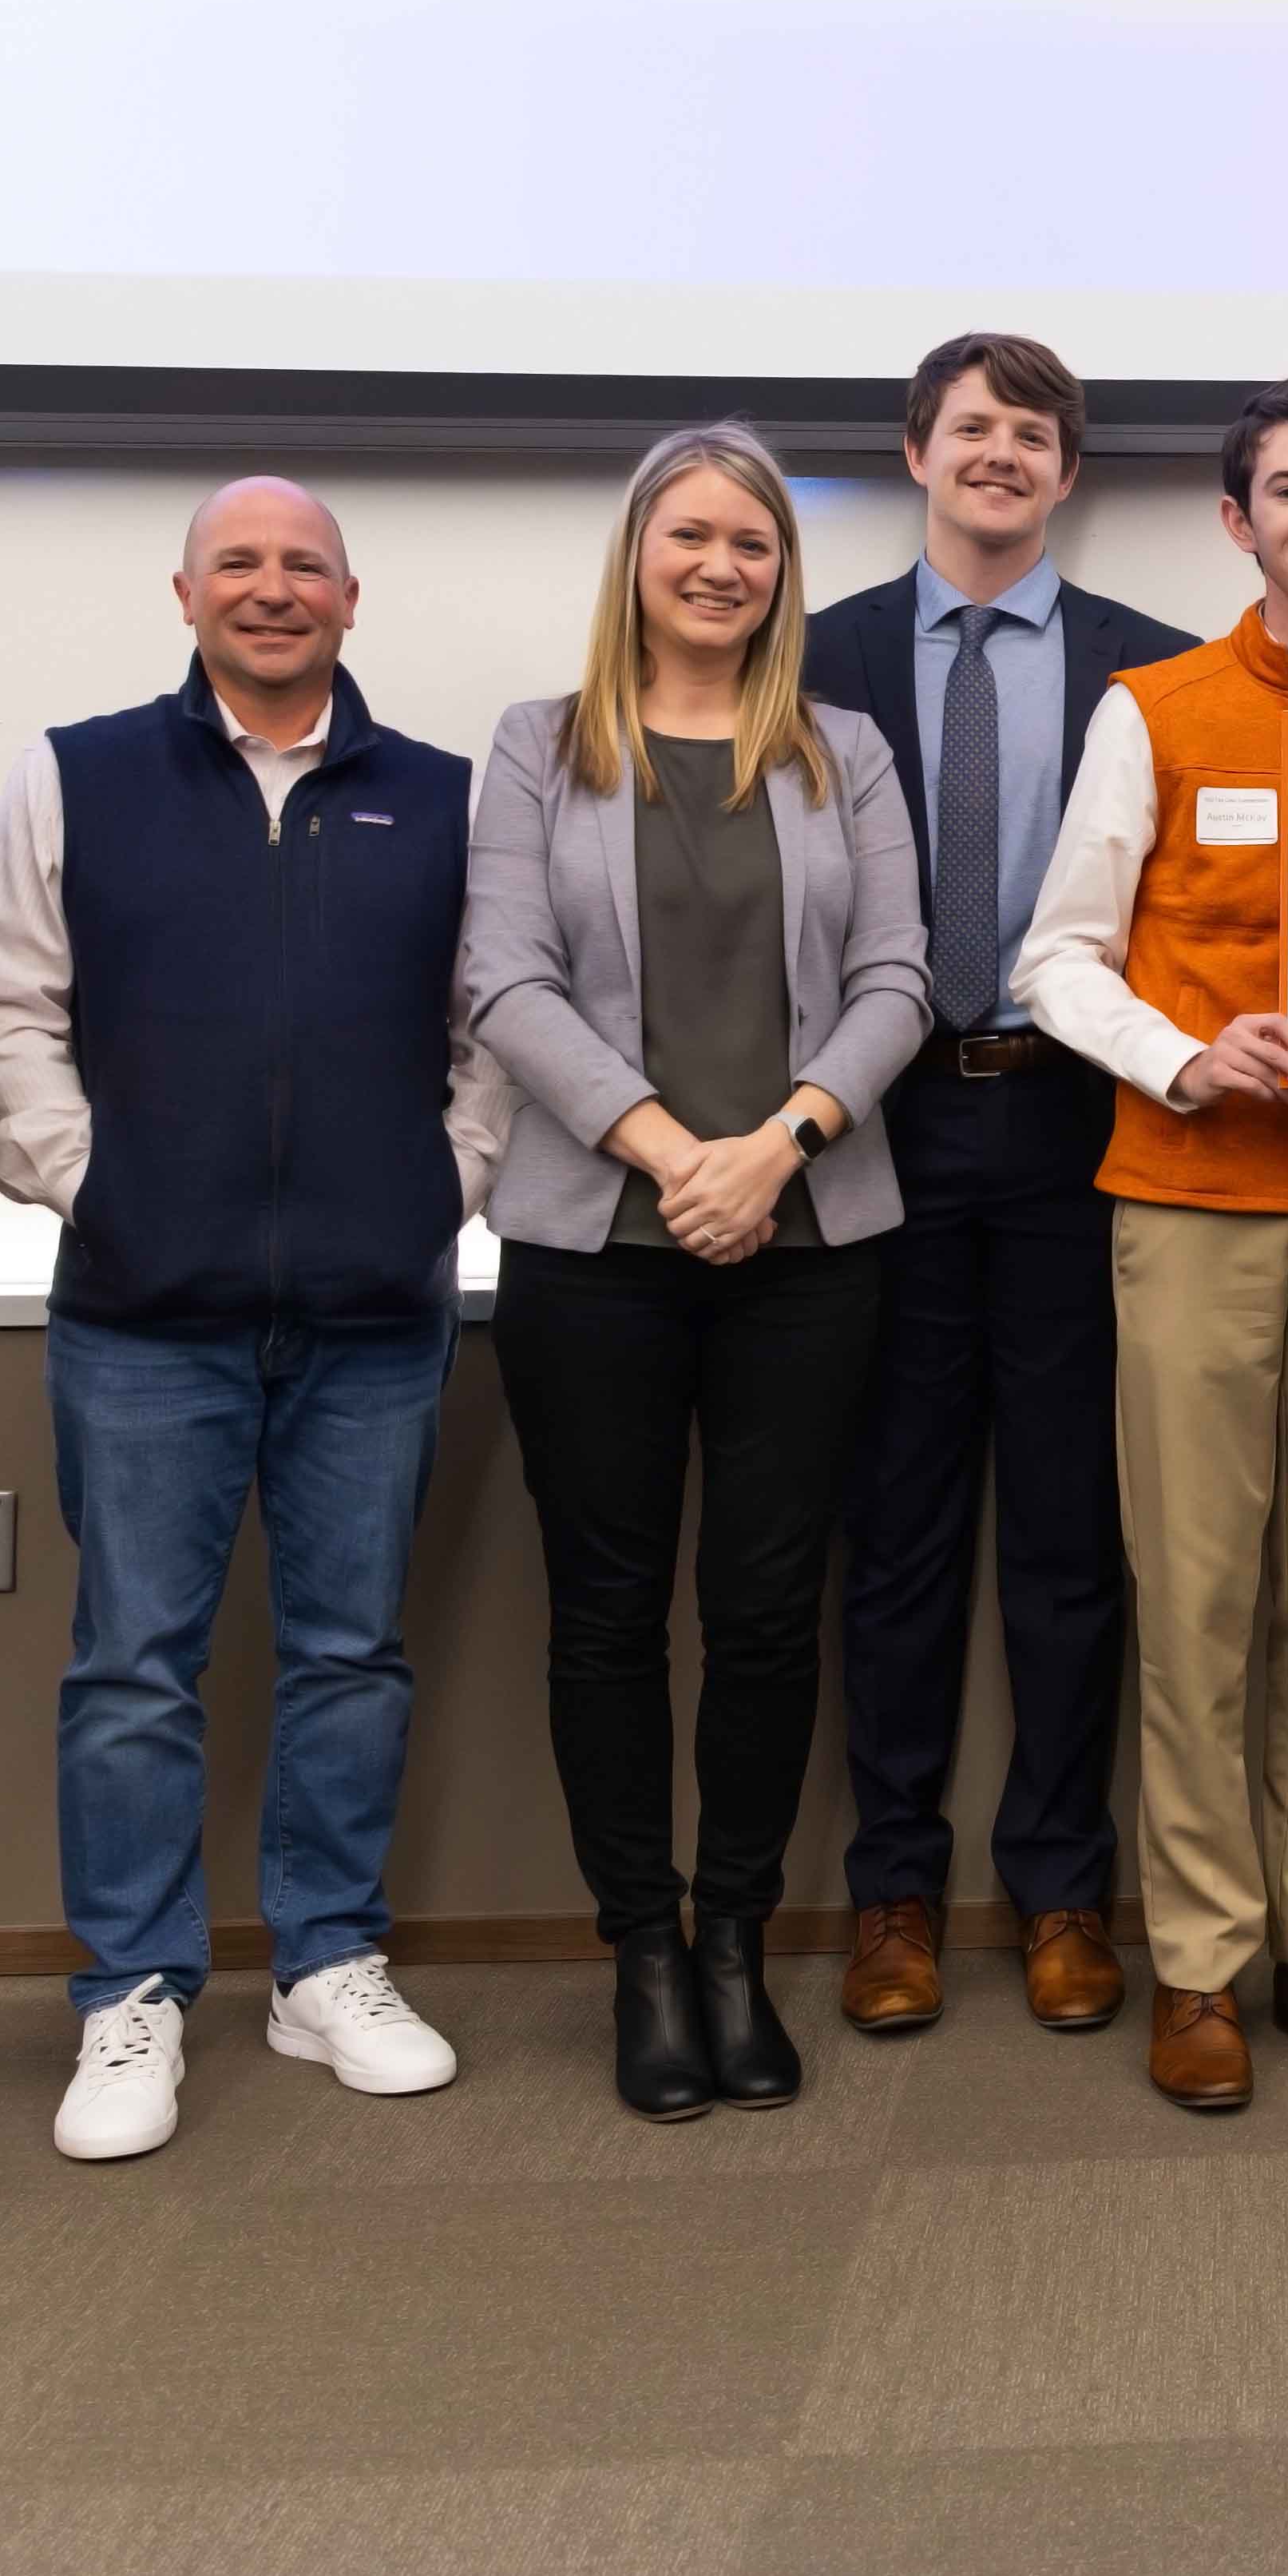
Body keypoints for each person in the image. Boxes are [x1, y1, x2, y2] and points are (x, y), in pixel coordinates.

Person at [0, 476, 513, 2163]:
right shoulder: (78, 773)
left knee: (353, 1651)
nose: (273, 589)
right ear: (185, 591)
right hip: (144, 1313)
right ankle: (131, 1989)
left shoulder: (444, 798)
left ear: (350, 596)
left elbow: (493, 1026)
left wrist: (443, 1186)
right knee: (135, 1664)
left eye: (304, 565)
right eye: (239, 563)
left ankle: (325, 1961)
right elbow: (5, 1005)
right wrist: (91, 1186)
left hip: (376, 1313)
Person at [465, 422, 930, 2122]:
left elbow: (900, 976)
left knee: (763, 1609)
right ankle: (643, 1954)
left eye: (753, 541)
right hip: (597, 1250)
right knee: (603, 1616)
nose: (722, 564)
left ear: (781, 571)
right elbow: (504, 982)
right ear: (638, 555)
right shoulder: (537, 747)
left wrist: (776, 1147)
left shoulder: (842, 749)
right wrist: (678, 1156)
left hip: (807, 1246)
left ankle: (732, 1938)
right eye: (692, 536)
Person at [1015, 371, 1288, 2112]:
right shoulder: (1155, 710)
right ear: (1238, 521)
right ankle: (1199, 1966)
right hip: (1190, 1207)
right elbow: (1057, 961)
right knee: (1198, 1604)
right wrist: (1185, 1057)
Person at [803, 334, 1189, 2042]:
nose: (1000, 455)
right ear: (917, 451)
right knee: (893, 1530)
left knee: (1066, 1531)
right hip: (873, 1128)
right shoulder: (813, 657)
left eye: (1032, 435)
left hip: (1075, 1131)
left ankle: (1060, 1890)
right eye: (972, 427)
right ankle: (892, 1889)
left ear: (1065, 473)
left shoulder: (1150, 670)